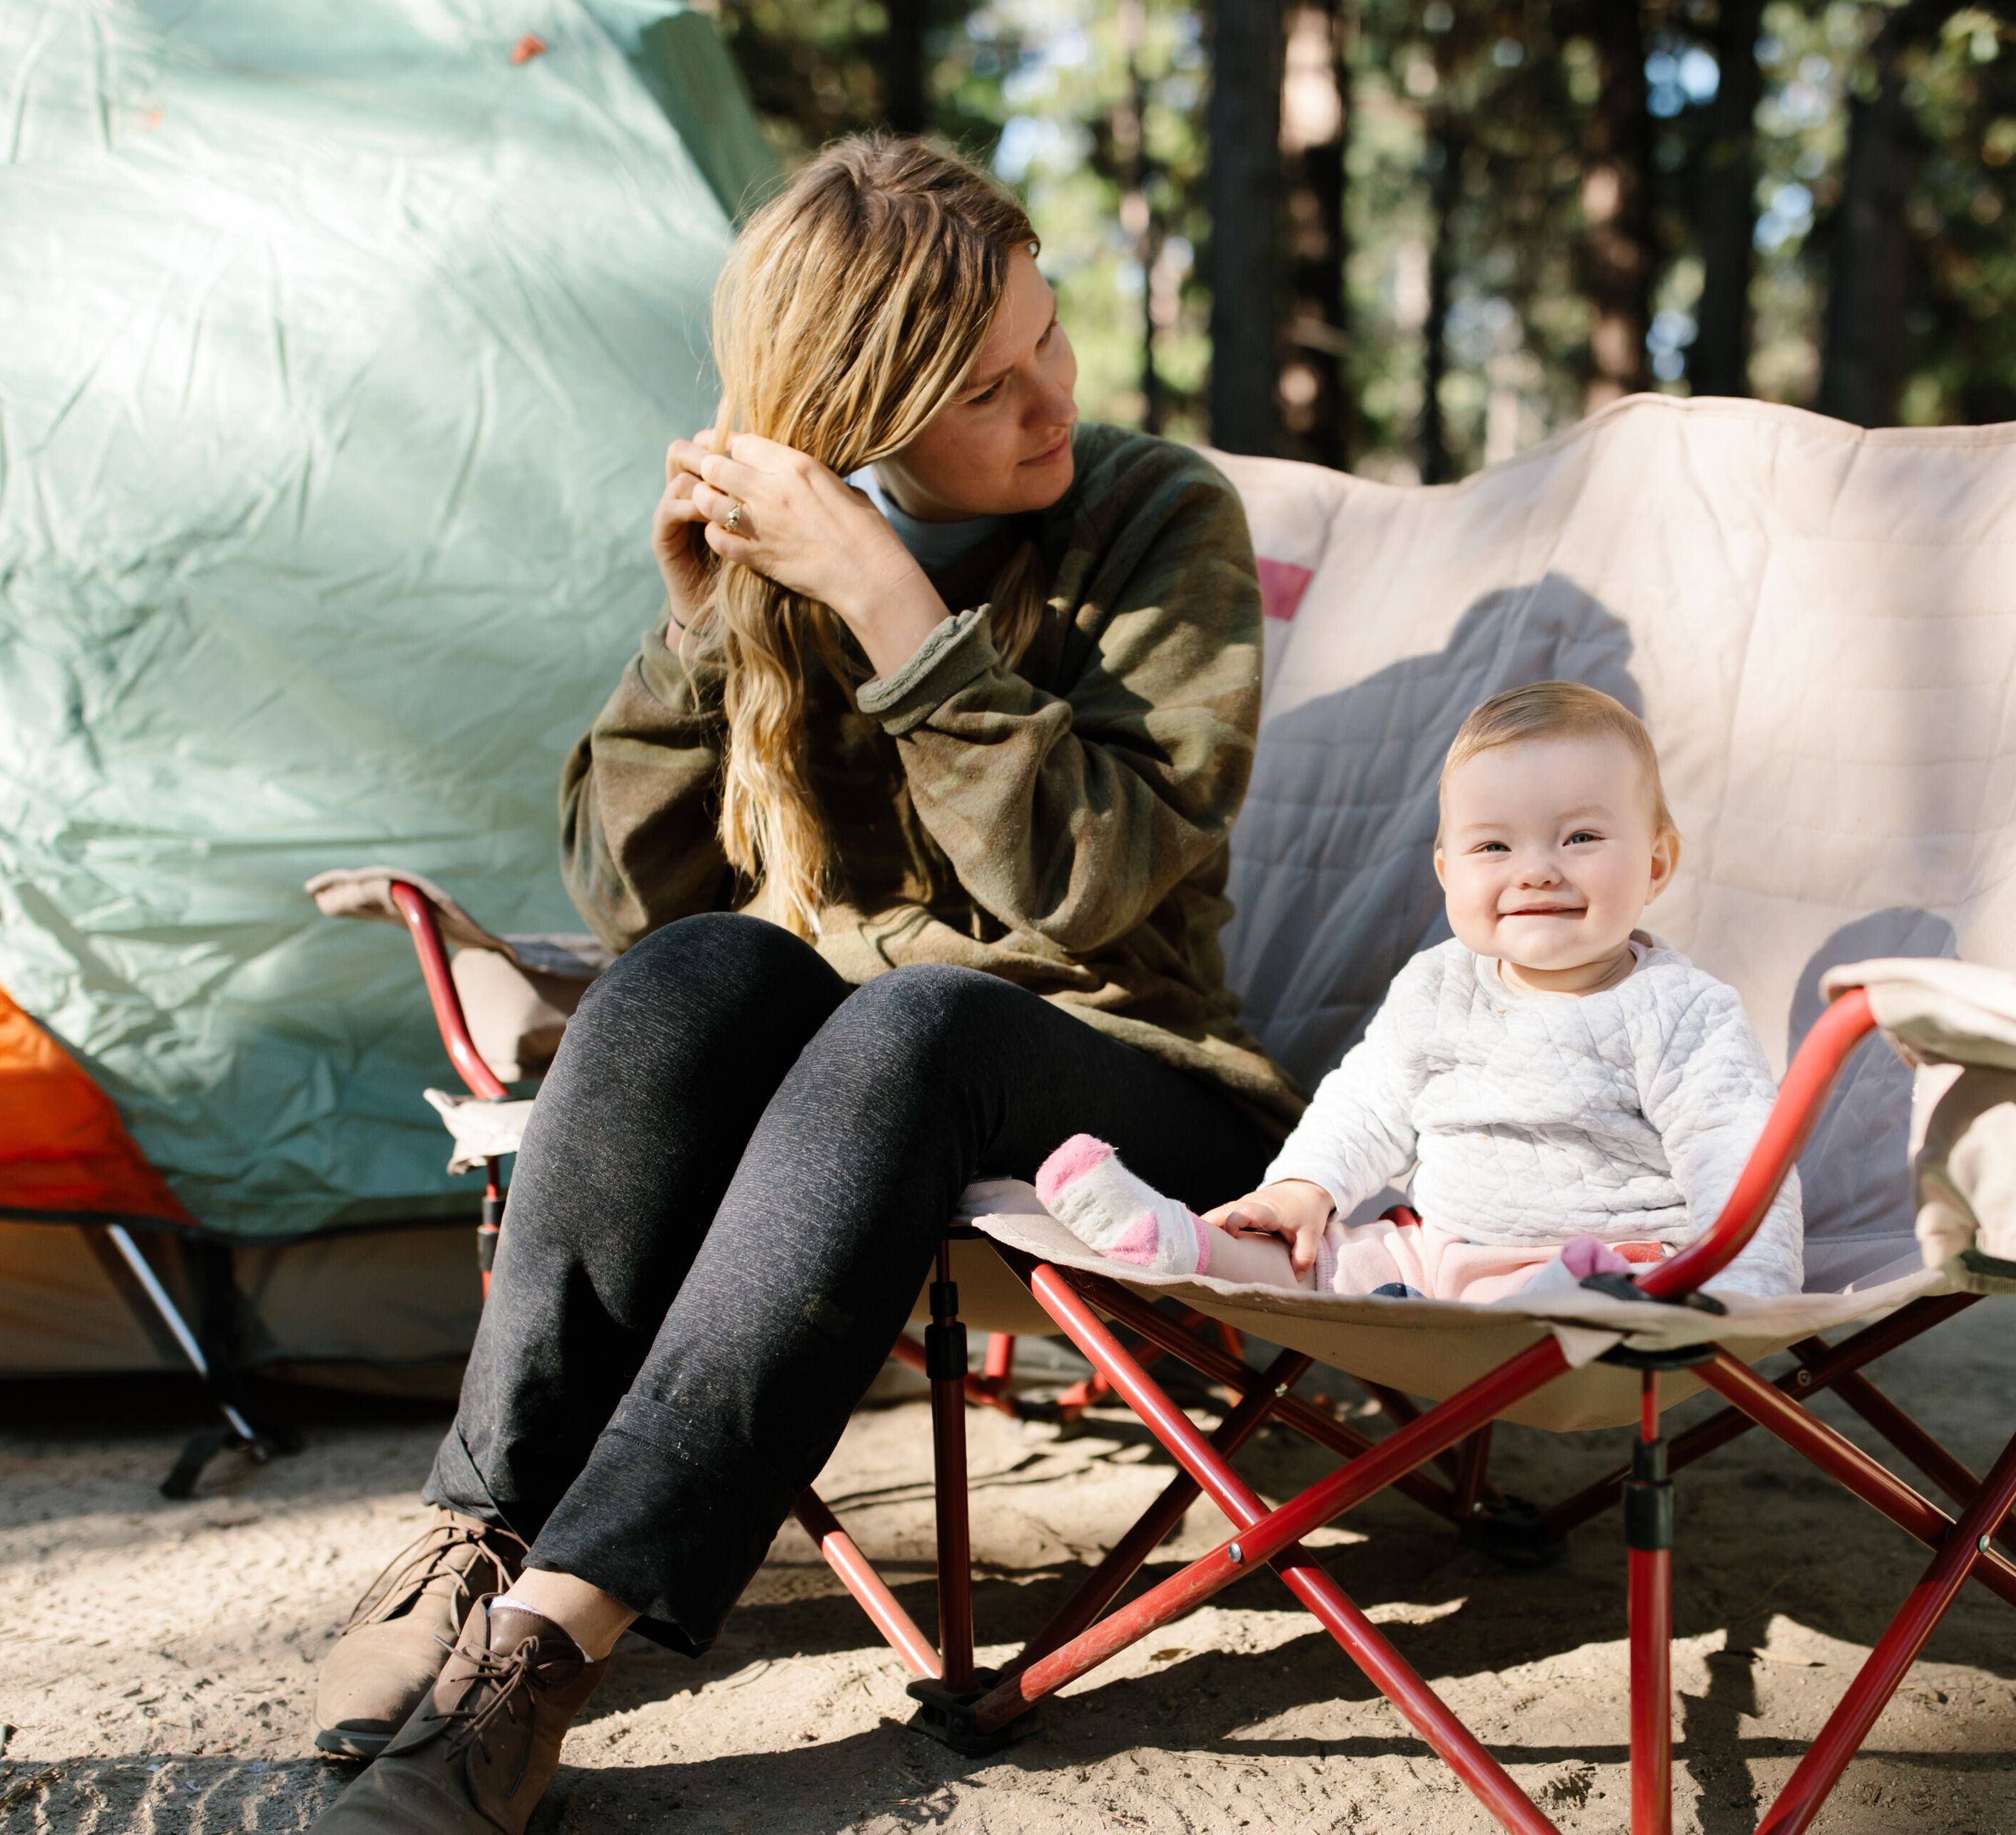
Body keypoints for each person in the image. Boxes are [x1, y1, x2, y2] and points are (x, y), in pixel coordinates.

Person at [308, 137, 1303, 1835]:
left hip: (1135, 1085)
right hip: (844, 1089)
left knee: (908, 1017)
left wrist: (893, 606)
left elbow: (1086, 886)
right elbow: (633, 894)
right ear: (851, 423)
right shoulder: (776, 556)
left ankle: (550, 1637)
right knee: (704, 965)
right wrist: (705, 628)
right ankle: (477, 1522)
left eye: (1047, 338)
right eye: (983, 388)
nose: (1051, 397)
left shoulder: (1154, 514)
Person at [1037, 681, 1802, 1305]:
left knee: (1607, 1288)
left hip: (1615, 1265)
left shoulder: (1684, 1011)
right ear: (1447, 873)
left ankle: (1558, 1300)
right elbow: (1366, 1105)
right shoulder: (1437, 987)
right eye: (1494, 846)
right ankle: (1181, 1245)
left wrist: (1744, 1290)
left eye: (1580, 838)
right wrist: (1303, 1187)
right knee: (1314, 1259)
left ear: (1658, 865)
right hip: (1439, 1256)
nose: (1535, 870)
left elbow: (1739, 1160)